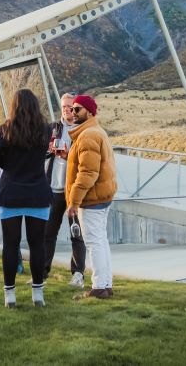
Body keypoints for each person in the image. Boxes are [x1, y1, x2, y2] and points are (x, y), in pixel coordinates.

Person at [0, 89, 53, 308]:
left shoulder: (6, 129)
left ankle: (10, 295)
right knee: (37, 245)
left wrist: (9, 164)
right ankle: (38, 294)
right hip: (38, 192)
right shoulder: (45, 130)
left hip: (11, 192)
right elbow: (42, 155)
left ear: (14, 106)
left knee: (10, 245)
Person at [66, 94, 117, 300]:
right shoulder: (96, 132)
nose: (73, 112)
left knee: (94, 243)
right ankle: (106, 284)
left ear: (89, 111)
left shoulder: (87, 135)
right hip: (101, 197)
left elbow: (88, 173)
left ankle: (98, 287)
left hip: (91, 199)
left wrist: (73, 202)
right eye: (72, 109)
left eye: (77, 109)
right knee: (101, 241)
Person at [43, 92, 87, 288]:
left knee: (76, 234)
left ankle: (77, 274)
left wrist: (68, 155)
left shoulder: (82, 129)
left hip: (72, 192)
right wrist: (49, 150)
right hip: (52, 189)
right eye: (64, 107)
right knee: (47, 234)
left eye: (71, 107)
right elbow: (40, 152)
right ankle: (42, 274)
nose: (67, 110)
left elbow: (84, 161)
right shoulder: (53, 128)